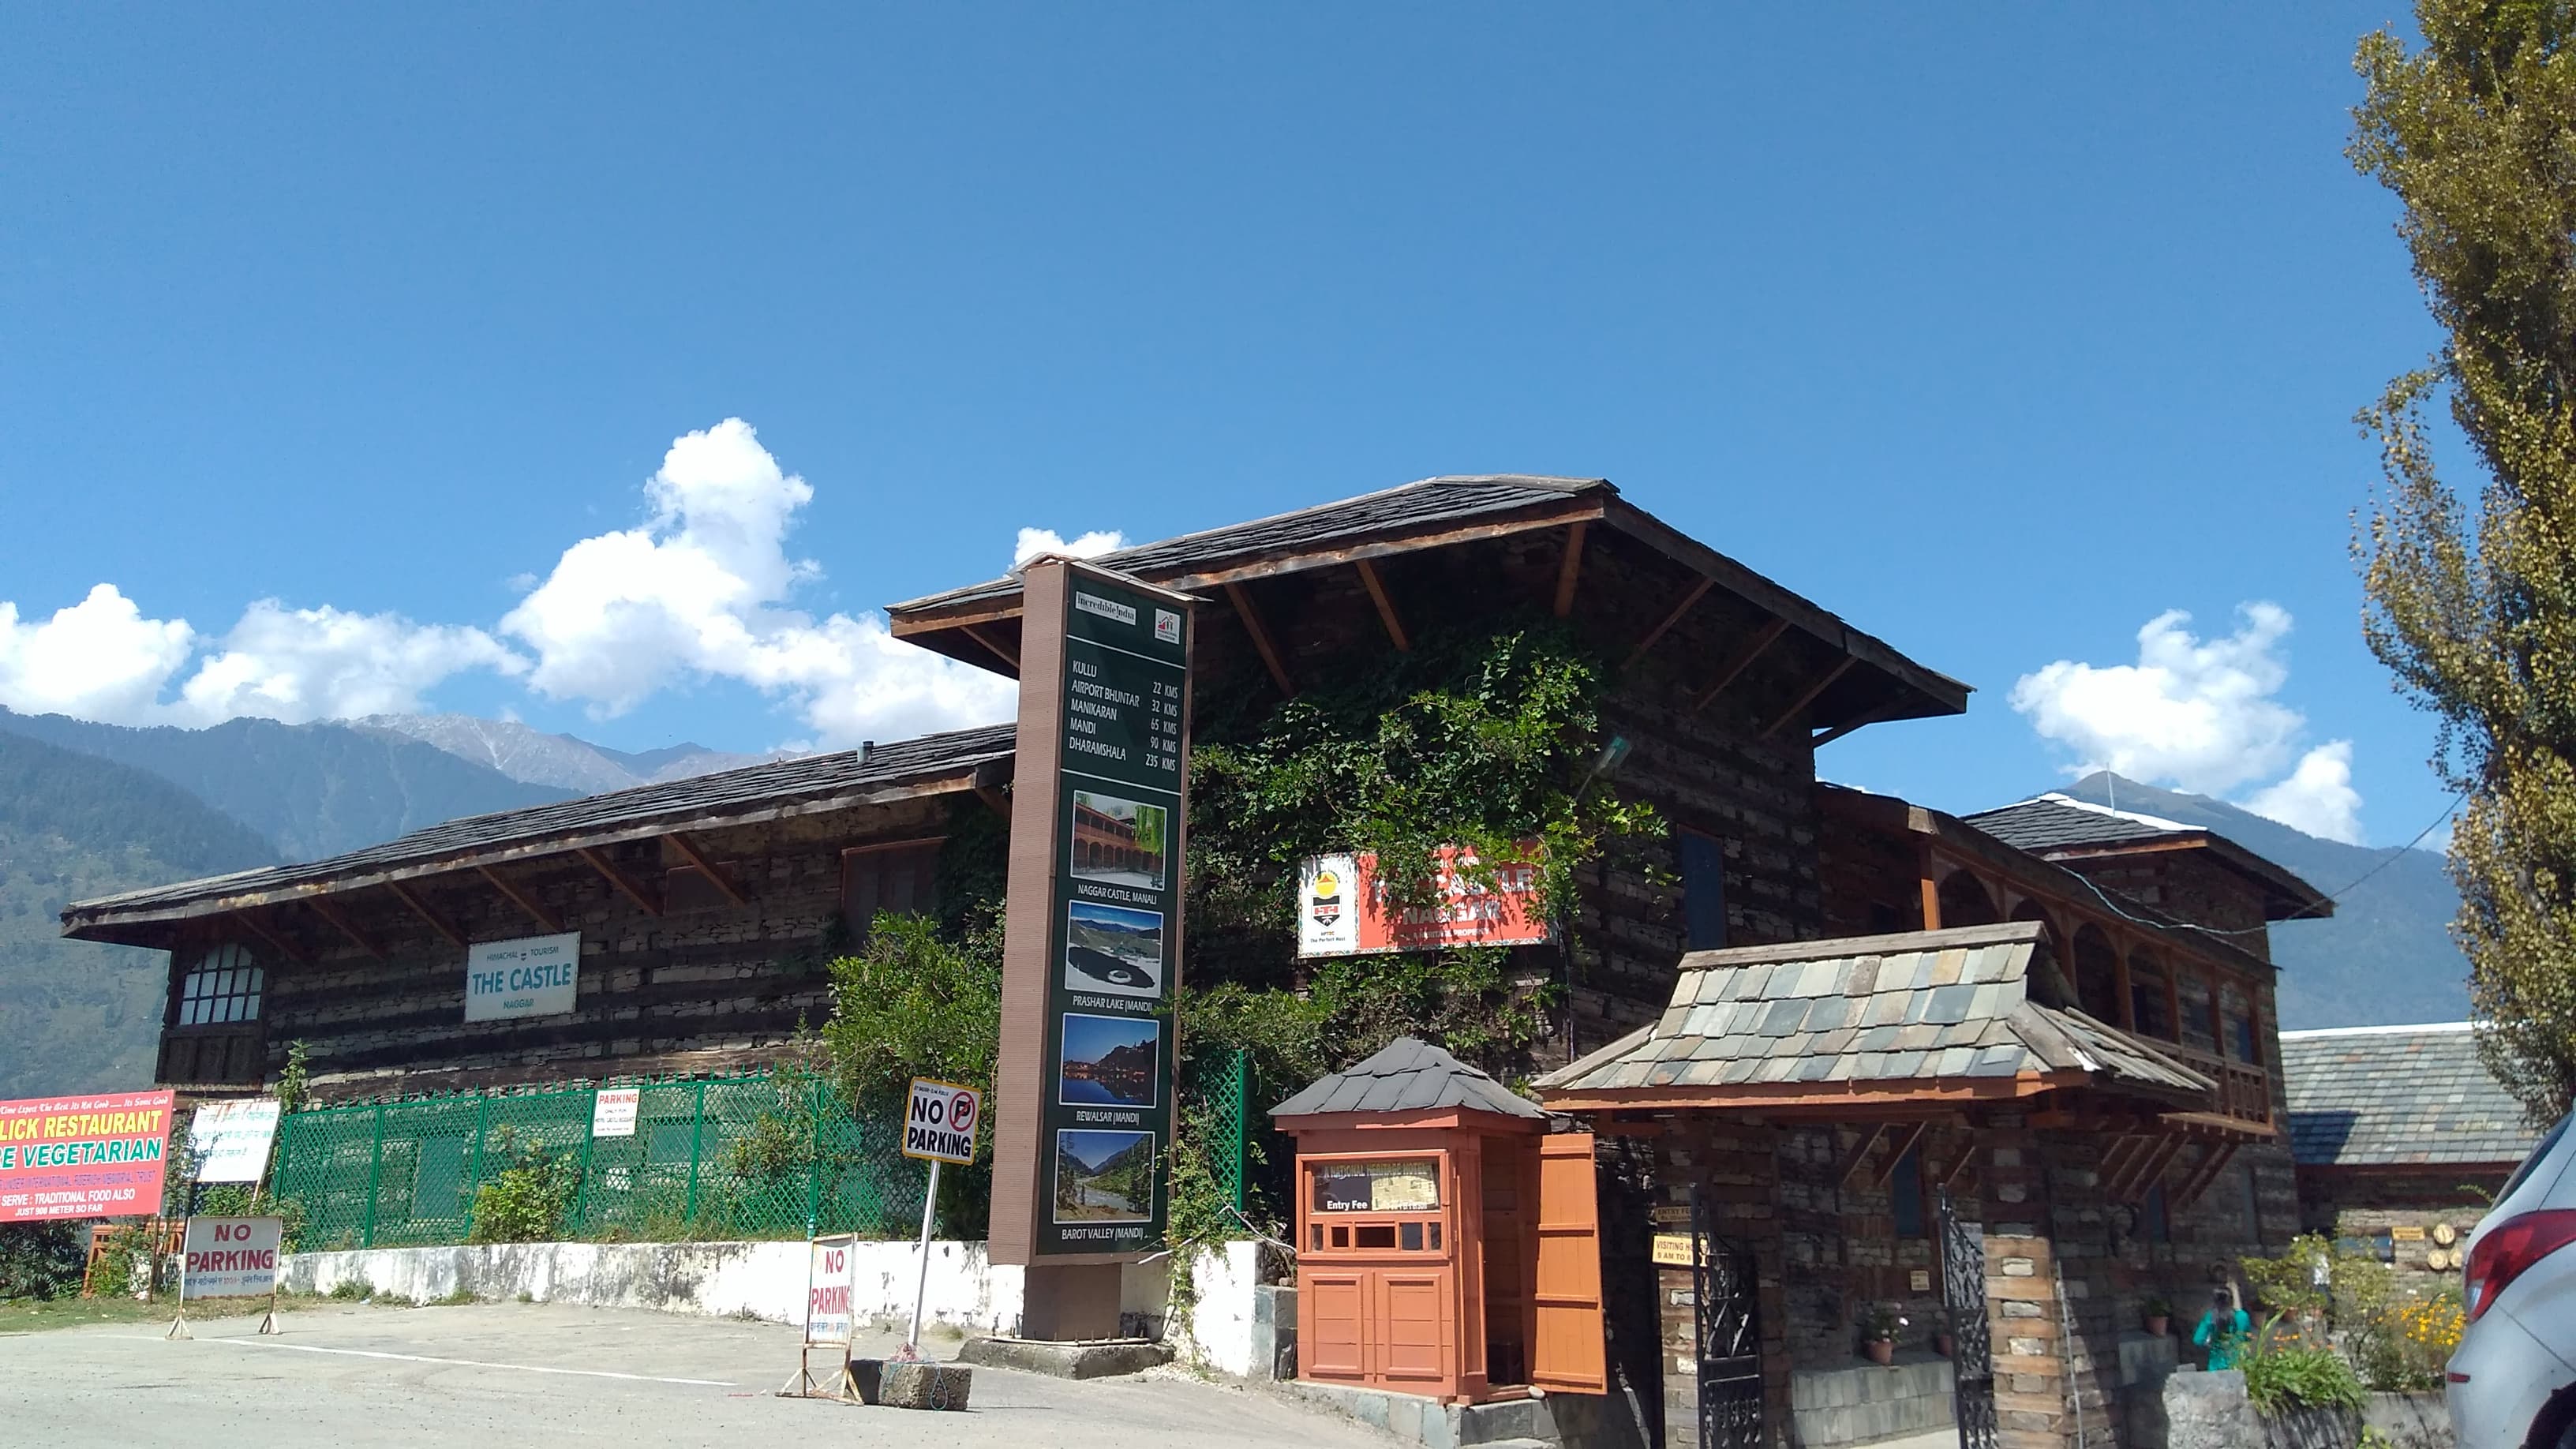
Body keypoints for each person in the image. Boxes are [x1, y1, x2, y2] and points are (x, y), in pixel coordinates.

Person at [2193, 1285, 2250, 1370]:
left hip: (2216, 1367)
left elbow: (2198, 1340)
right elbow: (2246, 1338)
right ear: (2232, 1300)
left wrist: (2209, 1342)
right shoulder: (2243, 1316)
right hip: (2238, 1365)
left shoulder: (2210, 1317)